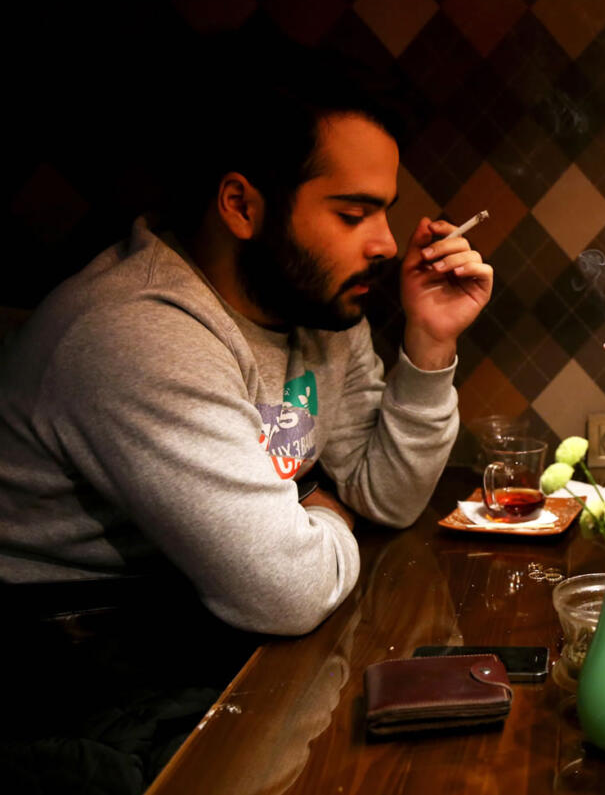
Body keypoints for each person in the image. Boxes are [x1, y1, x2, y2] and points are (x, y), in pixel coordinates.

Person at [0, 47, 493, 636]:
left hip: (186, 620)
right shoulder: (141, 335)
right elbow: (289, 593)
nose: (386, 243)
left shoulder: (317, 310)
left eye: (383, 212)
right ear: (241, 206)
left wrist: (430, 343)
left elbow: (386, 497)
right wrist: (322, 511)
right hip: (61, 655)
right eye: (352, 214)